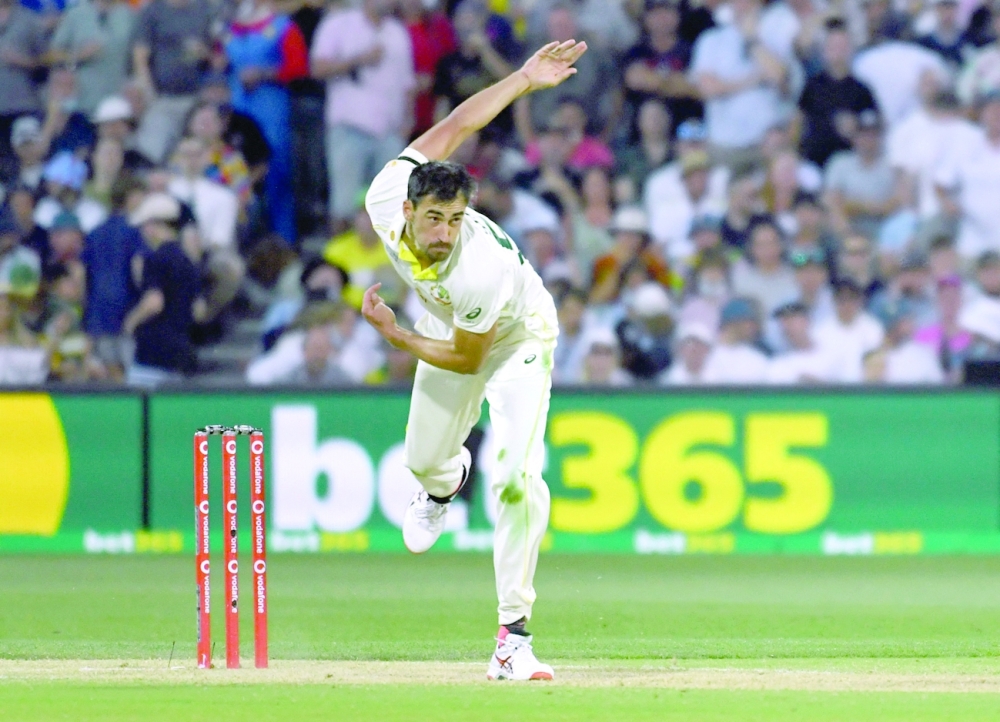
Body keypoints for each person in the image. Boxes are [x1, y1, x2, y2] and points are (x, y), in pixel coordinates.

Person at [360, 38, 587, 682]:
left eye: (456, 219)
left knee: (516, 478)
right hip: (449, 325)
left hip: (516, 337)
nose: (444, 233)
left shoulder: (477, 269)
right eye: (434, 218)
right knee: (423, 459)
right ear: (406, 209)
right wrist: (520, 77)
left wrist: (396, 334)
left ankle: (513, 636)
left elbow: (467, 359)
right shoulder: (385, 195)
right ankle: (441, 485)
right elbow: (459, 124)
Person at [311, 0, 415, 229]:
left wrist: (408, 120)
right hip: (350, 127)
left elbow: (408, 83)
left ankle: (385, 263)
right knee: (344, 207)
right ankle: (338, 261)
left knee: (392, 208)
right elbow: (318, 68)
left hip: (390, 131)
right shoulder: (338, 24)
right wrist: (359, 59)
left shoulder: (397, 32)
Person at [224, 0, 308, 243]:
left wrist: (264, 73)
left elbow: (299, 67)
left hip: (271, 109)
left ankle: (283, 242)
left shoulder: (283, 26)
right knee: (236, 172)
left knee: (276, 173)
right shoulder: (229, 27)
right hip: (237, 110)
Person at [122, 192, 207, 386]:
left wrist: (130, 322)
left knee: (141, 410)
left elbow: (154, 302)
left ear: (152, 226)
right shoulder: (188, 262)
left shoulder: (155, 258)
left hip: (152, 353)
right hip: (180, 353)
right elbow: (199, 311)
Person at [131, 0, 216, 165]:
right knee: (151, 153)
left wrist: (205, 52)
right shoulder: (154, 10)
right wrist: (149, 92)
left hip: (196, 100)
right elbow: (140, 55)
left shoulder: (204, 9)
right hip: (164, 99)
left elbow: (216, 54)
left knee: (195, 155)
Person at [796, 20, 878, 167]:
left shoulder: (861, 90)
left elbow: (874, 125)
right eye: (833, 47)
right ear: (825, 50)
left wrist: (856, 127)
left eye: (842, 46)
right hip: (814, 162)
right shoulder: (812, 86)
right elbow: (798, 121)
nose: (838, 52)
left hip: (850, 164)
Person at [47, 0, 135, 117]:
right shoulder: (76, 14)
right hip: (81, 100)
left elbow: (138, 55)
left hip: (117, 98)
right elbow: (51, 55)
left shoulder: (129, 15)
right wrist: (79, 55)